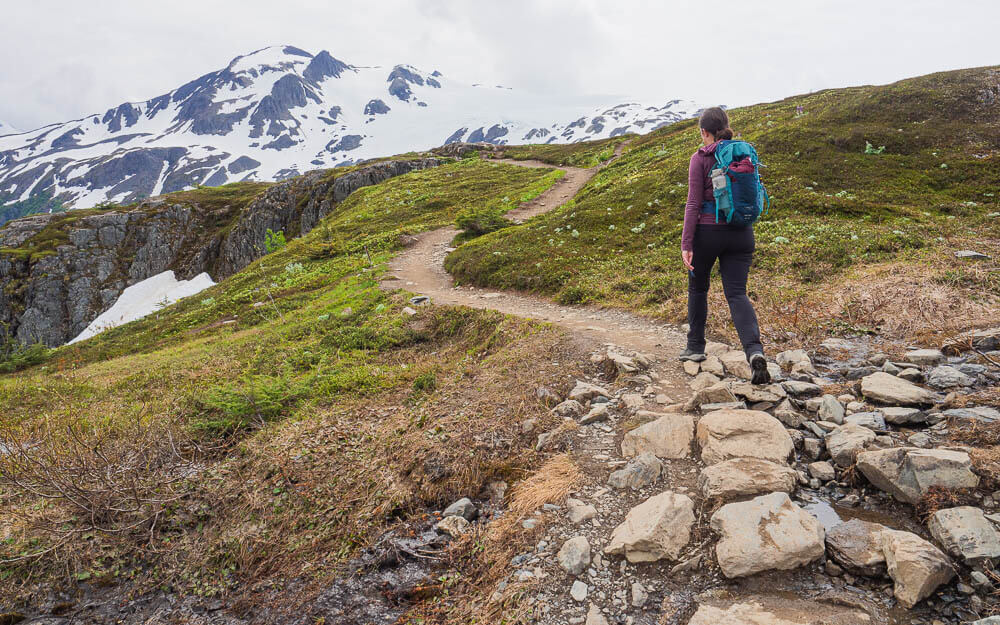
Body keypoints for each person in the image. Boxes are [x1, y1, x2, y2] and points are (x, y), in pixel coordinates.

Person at [679, 107, 769, 385]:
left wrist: (687, 242)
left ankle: (695, 347)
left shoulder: (700, 157)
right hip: (742, 233)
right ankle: (754, 352)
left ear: (704, 132)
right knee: (737, 294)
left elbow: (694, 202)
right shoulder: (743, 152)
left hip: (709, 231)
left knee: (698, 287)